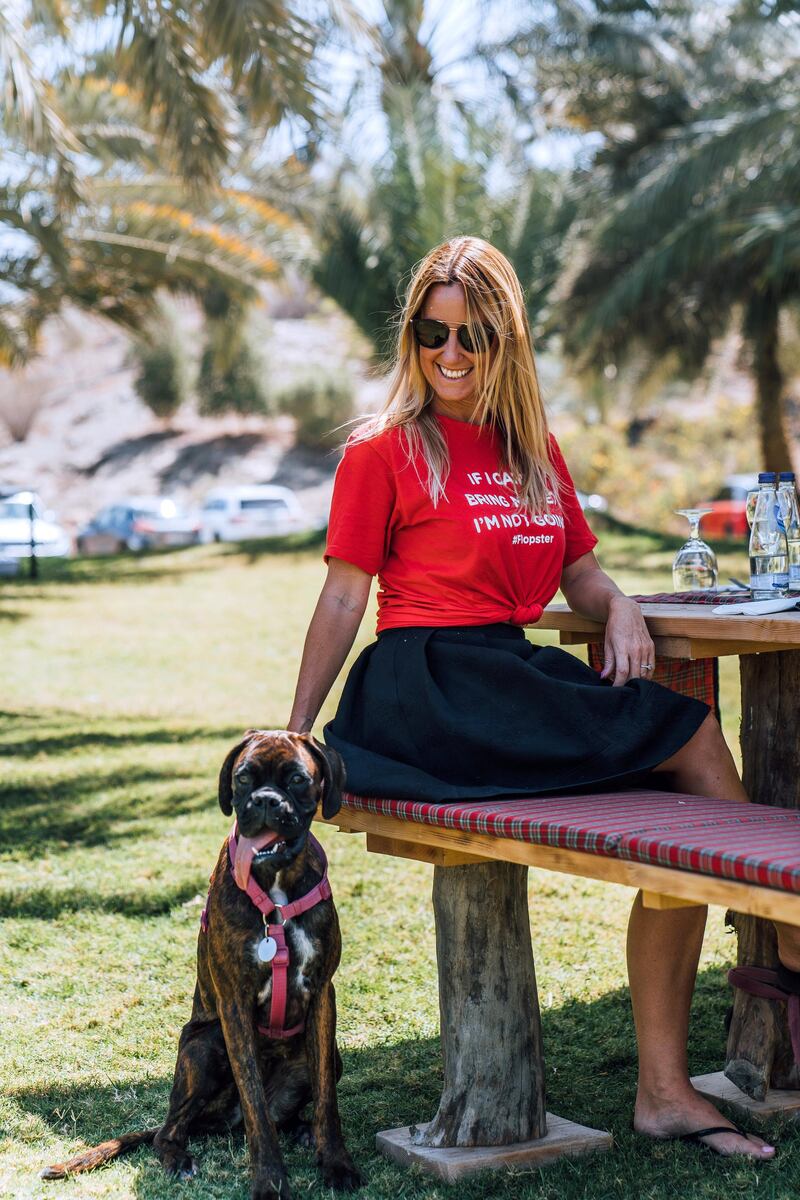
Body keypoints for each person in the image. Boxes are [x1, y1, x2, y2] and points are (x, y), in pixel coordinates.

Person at [288, 235, 799, 1158]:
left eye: (472, 335)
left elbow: (585, 571)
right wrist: (293, 733)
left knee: (686, 745)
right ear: (412, 337)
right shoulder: (385, 451)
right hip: (430, 685)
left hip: (508, 672)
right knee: (686, 734)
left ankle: (673, 1076)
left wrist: (626, 613)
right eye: (431, 332)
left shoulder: (535, 452)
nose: (450, 355)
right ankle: (776, 952)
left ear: (506, 340)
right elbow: (342, 594)